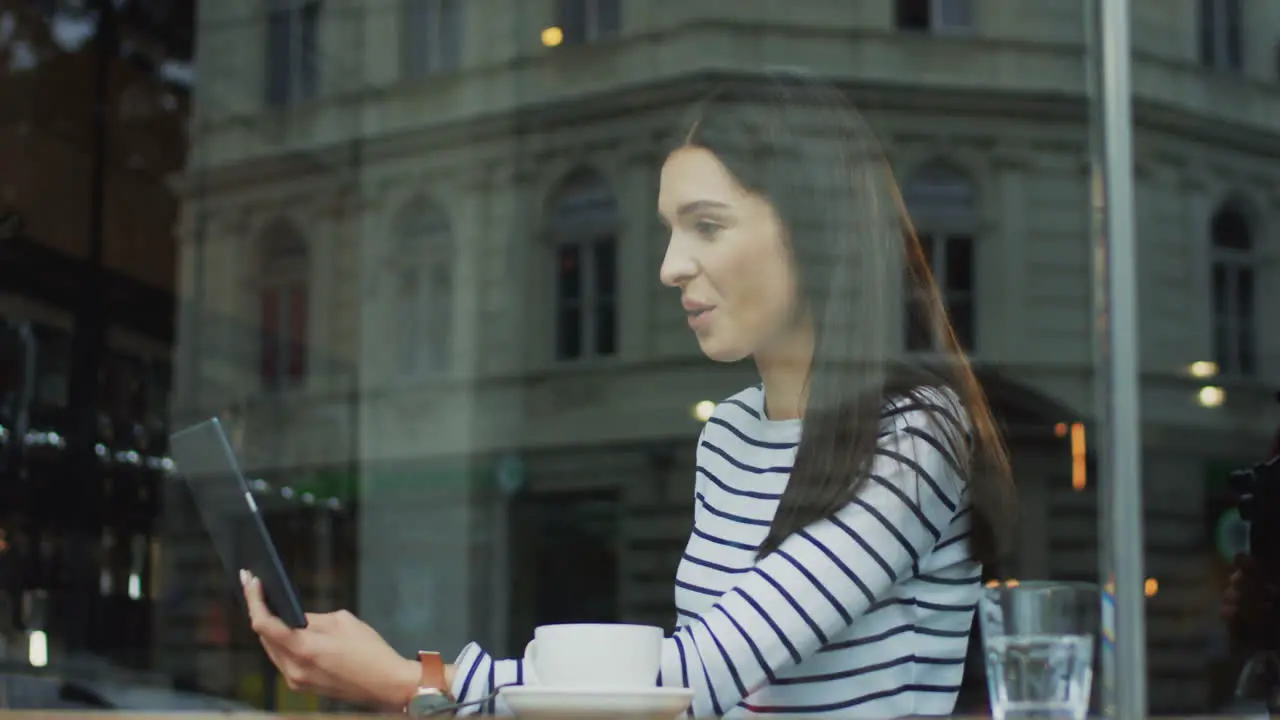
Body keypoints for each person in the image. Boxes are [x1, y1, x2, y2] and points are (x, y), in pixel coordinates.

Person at [241, 70, 1014, 717]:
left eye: (706, 225)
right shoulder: (733, 435)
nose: (670, 266)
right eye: (670, 230)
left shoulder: (915, 433)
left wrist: (410, 680)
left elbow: (692, 681)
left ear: (813, 227)